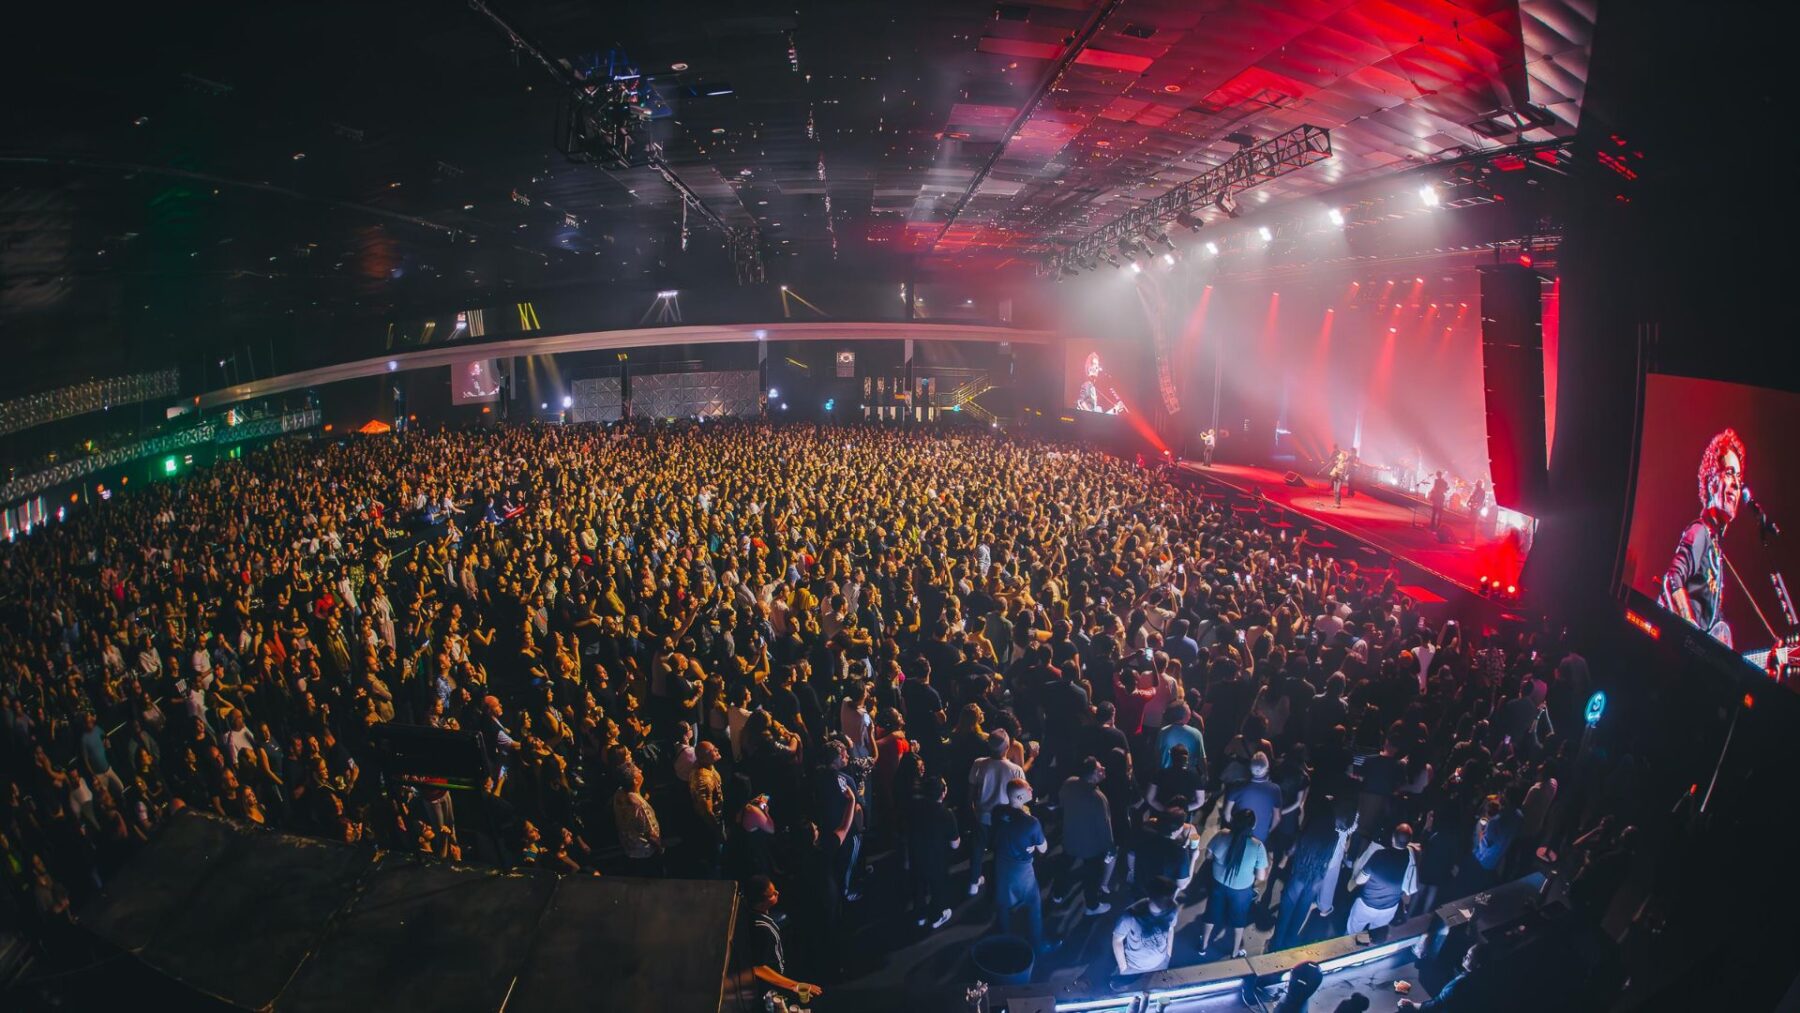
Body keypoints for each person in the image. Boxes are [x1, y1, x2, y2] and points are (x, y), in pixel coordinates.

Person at [1658, 428, 1746, 646]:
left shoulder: (1716, 552)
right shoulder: (1700, 532)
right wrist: (1691, 636)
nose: (1736, 483)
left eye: (1738, 476)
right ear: (1711, 481)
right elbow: (1672, 579)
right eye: (1728, 473)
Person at [738, 875, 823, 1005]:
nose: (777, 893)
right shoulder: (761, 929)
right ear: (761, 902)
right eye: (772, 894)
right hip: (771, 984)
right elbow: (758, 967)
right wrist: (795, 985)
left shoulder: (755, 911)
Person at [1198, 807, 1269, 958]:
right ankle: (1235, 951)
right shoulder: (1257, 846)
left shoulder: (1221, 835)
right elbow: (1261, 876)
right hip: (1241, 890)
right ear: (1253, 826)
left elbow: (1208, 856)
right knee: (1238, 919)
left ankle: (1203, 945)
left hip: (1218, 883)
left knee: (1211, 913)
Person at [989, 779, 1048, 950]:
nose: (1032, 788)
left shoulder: (997, 811)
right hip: (1022, 871)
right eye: (1028, 787)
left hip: (1001, 866)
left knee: (1003, 904)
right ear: (1021, 796)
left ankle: (1005, 944)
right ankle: (1036, 945)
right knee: (1033, 904)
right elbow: (1043, 849)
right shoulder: (1031, 822)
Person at [1054, 756, 1114, 915]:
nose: (1104, 769)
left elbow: (1062, 803)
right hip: (1091, 847)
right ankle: (1092, 906)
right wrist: (1110, 848)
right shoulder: (1098, 798)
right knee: (1092, 877)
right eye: (1100, 768)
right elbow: (1105, 827)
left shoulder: (1069, 783)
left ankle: (1057, 894)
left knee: (1064, 867)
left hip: (1069, 839)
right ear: (1094, 774)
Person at [967, 729, 1024, 896]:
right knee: (1001, 852)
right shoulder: (1015, 770)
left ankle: (973, 882)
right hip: (1004, 819)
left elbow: (970, 791)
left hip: (982, 815)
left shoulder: (978, 763)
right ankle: (1000, 885)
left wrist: (971, 811)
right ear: (1007, 747)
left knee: (977, 850)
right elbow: (1022, 795)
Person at [907, 777, 961, 930]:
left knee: (919, 887)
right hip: (937, 859)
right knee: (938, 887)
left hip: (916, 856)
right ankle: (936, 917)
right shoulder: (946, 814)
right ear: (943, 793)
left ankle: (920, 917)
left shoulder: (913, 808)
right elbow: (955, 844)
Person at [1346, 823, 1417, 934]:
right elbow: (1408, 892)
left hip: (1366, 905)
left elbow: (1360, 880)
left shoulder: (1379, 855)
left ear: (1393, 838)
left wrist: (1352, 880)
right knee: (1375, 936)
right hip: (1389, 910)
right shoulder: (1410, 857)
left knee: (1352, 933)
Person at [1110, 876, 1178, 981]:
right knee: (1126, 989)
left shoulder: (1172, 909)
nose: (1169, 902)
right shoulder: (1131, 915)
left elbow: (1170, 929)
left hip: (1160, 962)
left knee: (1151, 986)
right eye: (1166, 898)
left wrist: (1168, 954)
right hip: (1134, 966)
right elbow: (1117, 939)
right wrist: (1123, 968)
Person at [1397, 942, 1489, 1012]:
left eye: (1468, 957)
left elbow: (1437, 1005)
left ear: (1478, 965)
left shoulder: (1460, 984)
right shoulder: (1481, 977)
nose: (1464, 958)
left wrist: (1412, 1004)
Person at [1224, 751, 1283, 842]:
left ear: (1250, 768)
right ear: (1266, 768)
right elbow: (1277, 818)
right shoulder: (1275, 789)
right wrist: (1268, 831)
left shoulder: (1237, 786)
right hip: (1260, 836)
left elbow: (1227, 814)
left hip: (1238, 834)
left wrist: (1235, 828)